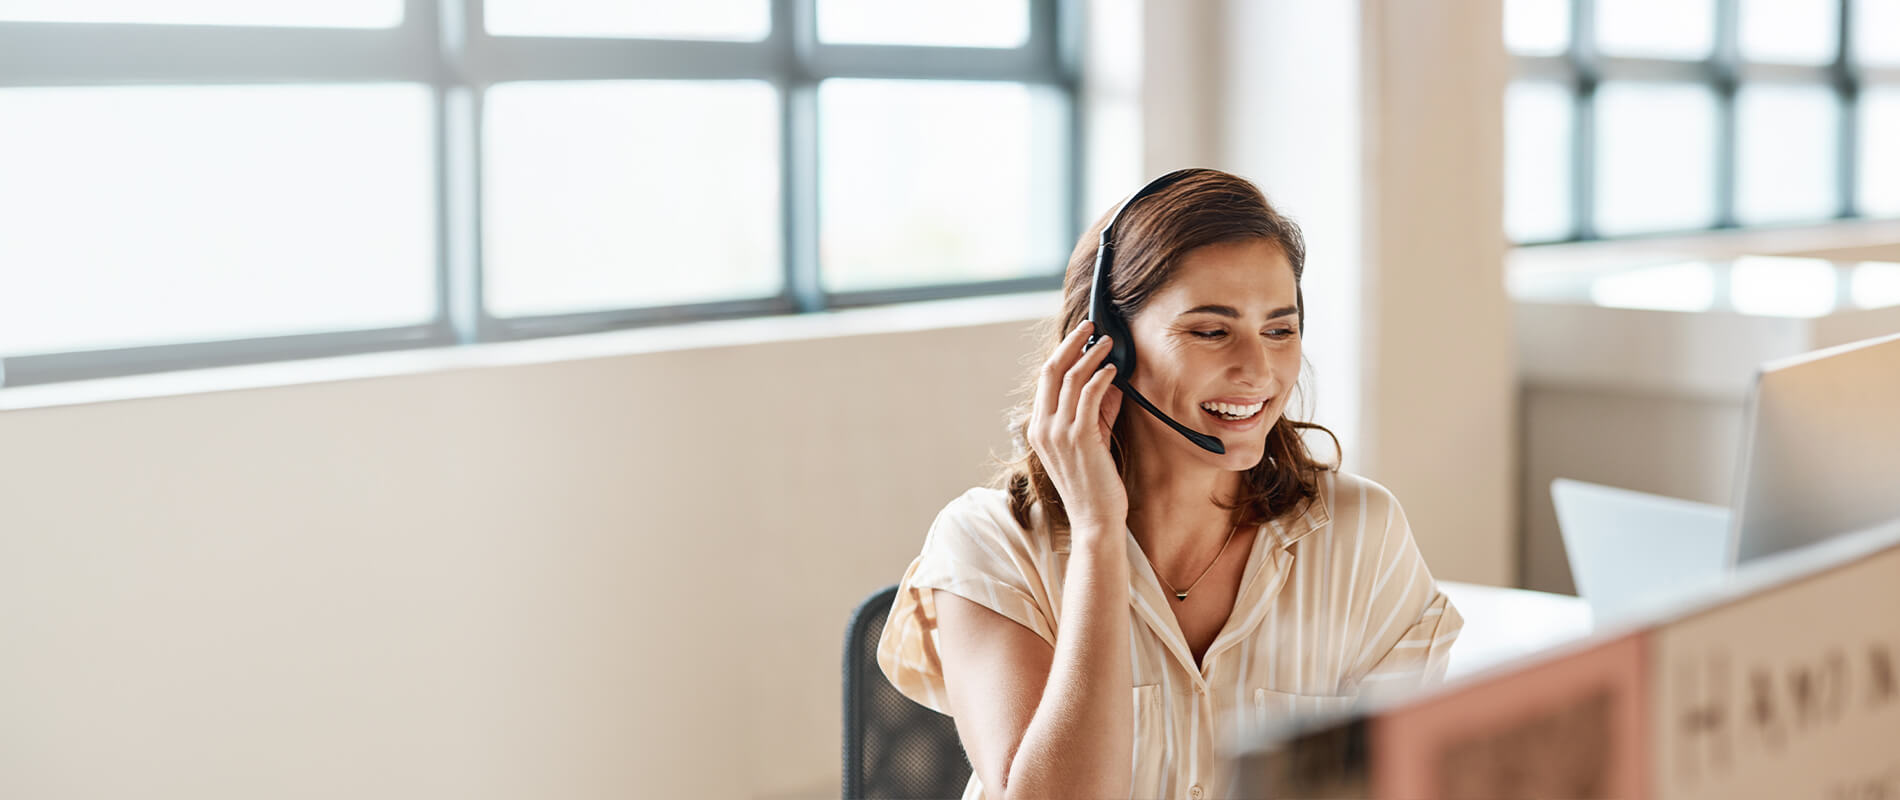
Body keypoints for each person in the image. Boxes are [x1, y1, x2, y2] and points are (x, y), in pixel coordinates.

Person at [875, 168, 1462, 800]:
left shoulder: (1360, 536)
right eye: (1210, 331)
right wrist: (1099, 533)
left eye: (1279, 329)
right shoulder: (990, 545)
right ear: (1104, 348)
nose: (1258, 370)